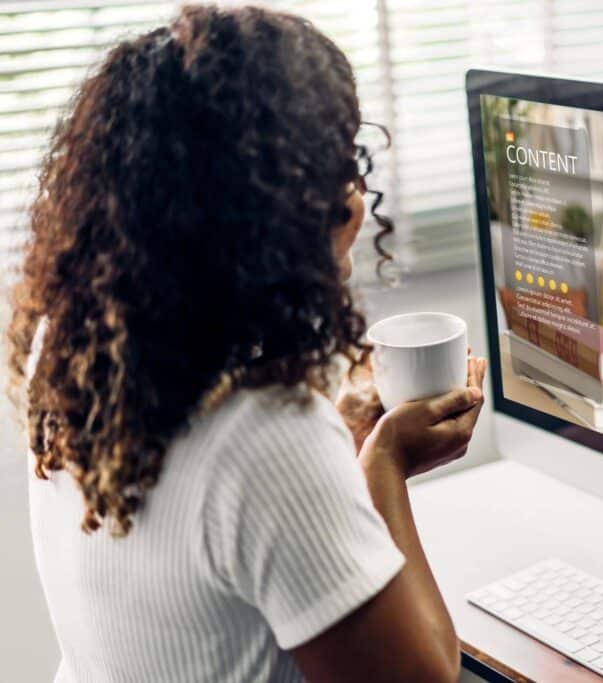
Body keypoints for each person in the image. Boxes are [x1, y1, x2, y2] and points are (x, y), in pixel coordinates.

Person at [6, 6, 484, 682]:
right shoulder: (267, 435)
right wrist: (383, 466)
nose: (354, 192)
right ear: (284, 206)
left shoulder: (69, 351)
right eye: (338, 162)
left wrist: (340, 435)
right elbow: (427, 677)